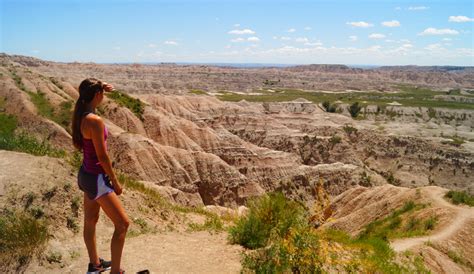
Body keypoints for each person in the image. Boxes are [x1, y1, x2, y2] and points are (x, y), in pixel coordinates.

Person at [72, 78, 129, 274]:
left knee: (90, 220)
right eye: (101, 93)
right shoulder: (95, 121)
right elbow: (103, 157)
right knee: (122, 224)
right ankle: (115, 272)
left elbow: (88, 92)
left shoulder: (82, 114)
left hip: (85, 174)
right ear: (97, 96)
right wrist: (115, 182)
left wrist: (100, 87)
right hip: (97, 177)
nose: (103, 96)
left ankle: (94, 265)